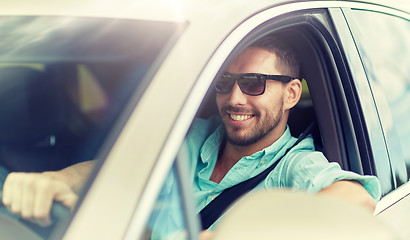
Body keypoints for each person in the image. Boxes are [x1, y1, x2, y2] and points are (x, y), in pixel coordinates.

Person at [1, 35, 380, 231]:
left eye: (253, 83)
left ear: (292, 94)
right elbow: (122, 166)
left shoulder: (296, 165)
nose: (233, 99)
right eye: (225, 82)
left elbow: (356, 198)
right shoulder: (195, 134)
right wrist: (56, 180)